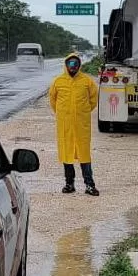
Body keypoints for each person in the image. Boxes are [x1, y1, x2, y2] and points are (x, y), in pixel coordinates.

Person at [49, 52, 100, 195]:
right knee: (67, 155)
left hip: (81, 125)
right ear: (66, 65)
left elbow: (93, 99)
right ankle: (69, 184)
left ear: (79, 65)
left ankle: (89, 185)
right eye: (70, 64)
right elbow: (53, 100)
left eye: (76, 64)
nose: (73, 66)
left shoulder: (87, 81)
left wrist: (83, 111)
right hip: (65, 125)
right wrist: (62, 113)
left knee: (84, 155)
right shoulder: (58, 81)